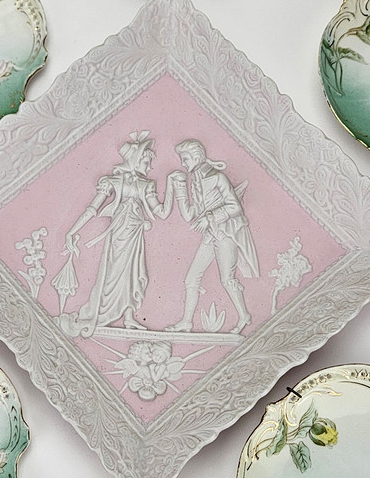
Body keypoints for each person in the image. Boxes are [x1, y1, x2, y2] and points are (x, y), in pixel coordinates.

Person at [55, 131, 172, 337]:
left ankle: (128, 317)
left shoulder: (146, 185)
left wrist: (173, 186)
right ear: (136, 160)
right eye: (147, 161)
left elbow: (162, 213)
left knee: (134, 273)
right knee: (112, 275)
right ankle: (106, 312)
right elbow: (92, 209)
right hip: (118, 235)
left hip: (135, 236)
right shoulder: (113, 182)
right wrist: (71, 231)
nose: (150, 167)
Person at [167, 139, 258, 334]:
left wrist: (209, 217)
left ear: (196, 157)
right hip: (210, 236)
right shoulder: (195, 181)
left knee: (227, 279)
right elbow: (189, 215)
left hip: (225, 234)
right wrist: (180, 189)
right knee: (191, 279)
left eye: (185, 159)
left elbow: (235, 207)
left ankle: (244, 316)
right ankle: (186, 322)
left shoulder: (217, 177)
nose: (183, 163)